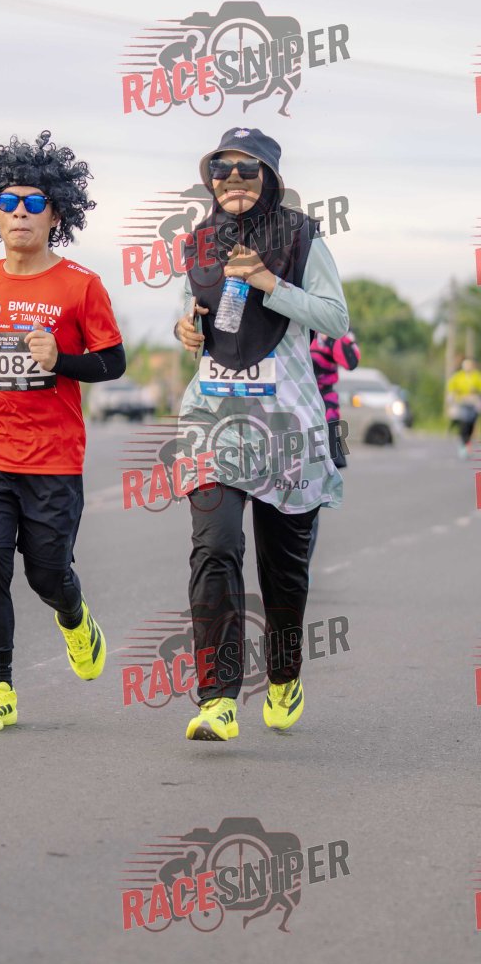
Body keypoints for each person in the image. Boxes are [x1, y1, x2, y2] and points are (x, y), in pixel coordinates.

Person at [0, 130, 126, 733]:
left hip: (52, 457)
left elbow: (113, 363)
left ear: (56, 214)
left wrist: (61, 360)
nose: (20, 212)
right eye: (8, 202)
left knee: (47, 573)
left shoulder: (81, 285)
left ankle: (74, 617)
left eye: (35, 202)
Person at [173, 126, 349, 743]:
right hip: (215, 420)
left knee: (284, 572)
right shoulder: (199, 241)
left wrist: (273, 285)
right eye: (221, 169)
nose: (233, 180)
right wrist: (185, 330)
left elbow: (335, 318)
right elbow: (194, 312)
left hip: (286, 426)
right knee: (215, 549)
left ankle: (283, 676)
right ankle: (217, 700)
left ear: (270, 178)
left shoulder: (302, 236)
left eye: (248, 170)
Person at [308, 330, 361, 559]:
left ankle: (302, 565)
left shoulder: (330, 330)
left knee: (310, 493)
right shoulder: (288, 320)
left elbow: (351, 361)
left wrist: (331, 333)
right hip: (284, 412)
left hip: (323, 416)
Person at [446, 357, 481, 459]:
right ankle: (463, 445)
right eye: (466, 365)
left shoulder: (476, 376)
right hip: (462, 402)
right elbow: (451, 388)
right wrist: (451, 398)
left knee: (471, 425)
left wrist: (476, 393)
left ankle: (467, 442)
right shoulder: (458, 376)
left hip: (473, 403)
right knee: (464, 424)